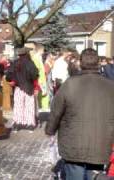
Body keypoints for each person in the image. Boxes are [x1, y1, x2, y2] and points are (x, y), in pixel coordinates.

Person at [45, 48, 114, 180]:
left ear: (81, 64)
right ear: (98, 63)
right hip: (100, 143)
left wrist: (50, 129)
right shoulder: (111, 86)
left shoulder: (70, 84)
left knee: (75, 175)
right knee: (94, 176)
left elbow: (56, 110)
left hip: (73, 145)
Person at [6, 47, 39, 131]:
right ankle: (30, 125)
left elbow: (8, 76)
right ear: (27, 54)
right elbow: (35, 76)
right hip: (29, 88)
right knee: (29, 106)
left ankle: (17, 124)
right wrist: (36, 87)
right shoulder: (30, 63)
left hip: (18, 88)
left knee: (18, 106)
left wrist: (13, 80)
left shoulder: (15, 63)